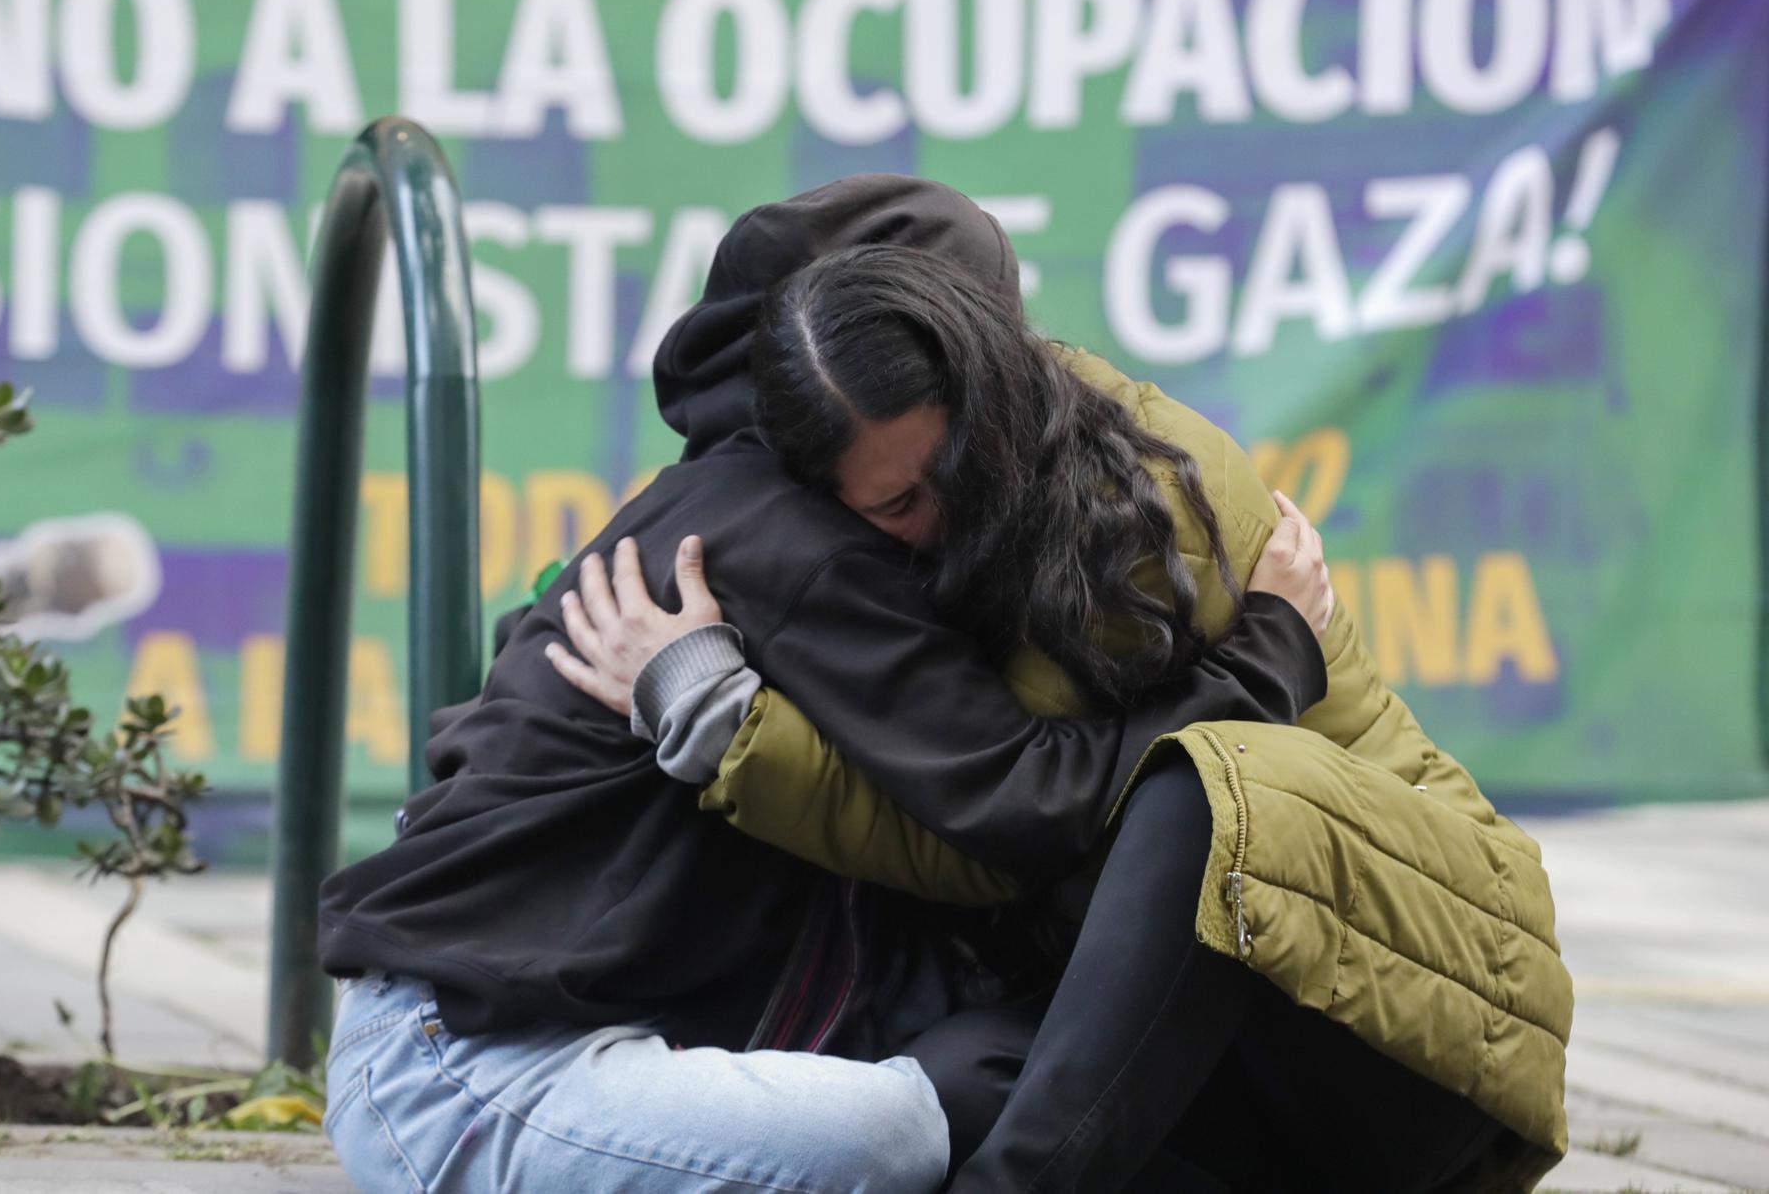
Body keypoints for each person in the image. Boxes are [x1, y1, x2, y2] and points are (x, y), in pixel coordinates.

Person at [314, 176, 1335, 1193]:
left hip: (568, 1032)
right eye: (898, 498)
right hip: (460, 1063)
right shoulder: (797, 547)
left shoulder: (731, 499)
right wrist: (1274, 649)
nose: (947, 512)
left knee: (996, 1076)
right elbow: (1036, 802)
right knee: (894, 1131)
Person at [550, 239, 1574, 1191]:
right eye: (897, 505)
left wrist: (1275, 652)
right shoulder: (913, 568)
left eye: (952, 465)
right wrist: (725, 721)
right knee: (944, 1095)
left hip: (1426, 1034)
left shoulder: (1129, 492)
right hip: (1234, 1042)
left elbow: (1028, 811)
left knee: (1204, 793)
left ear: (989, 387)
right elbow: (980, 834)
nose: (945, 511)